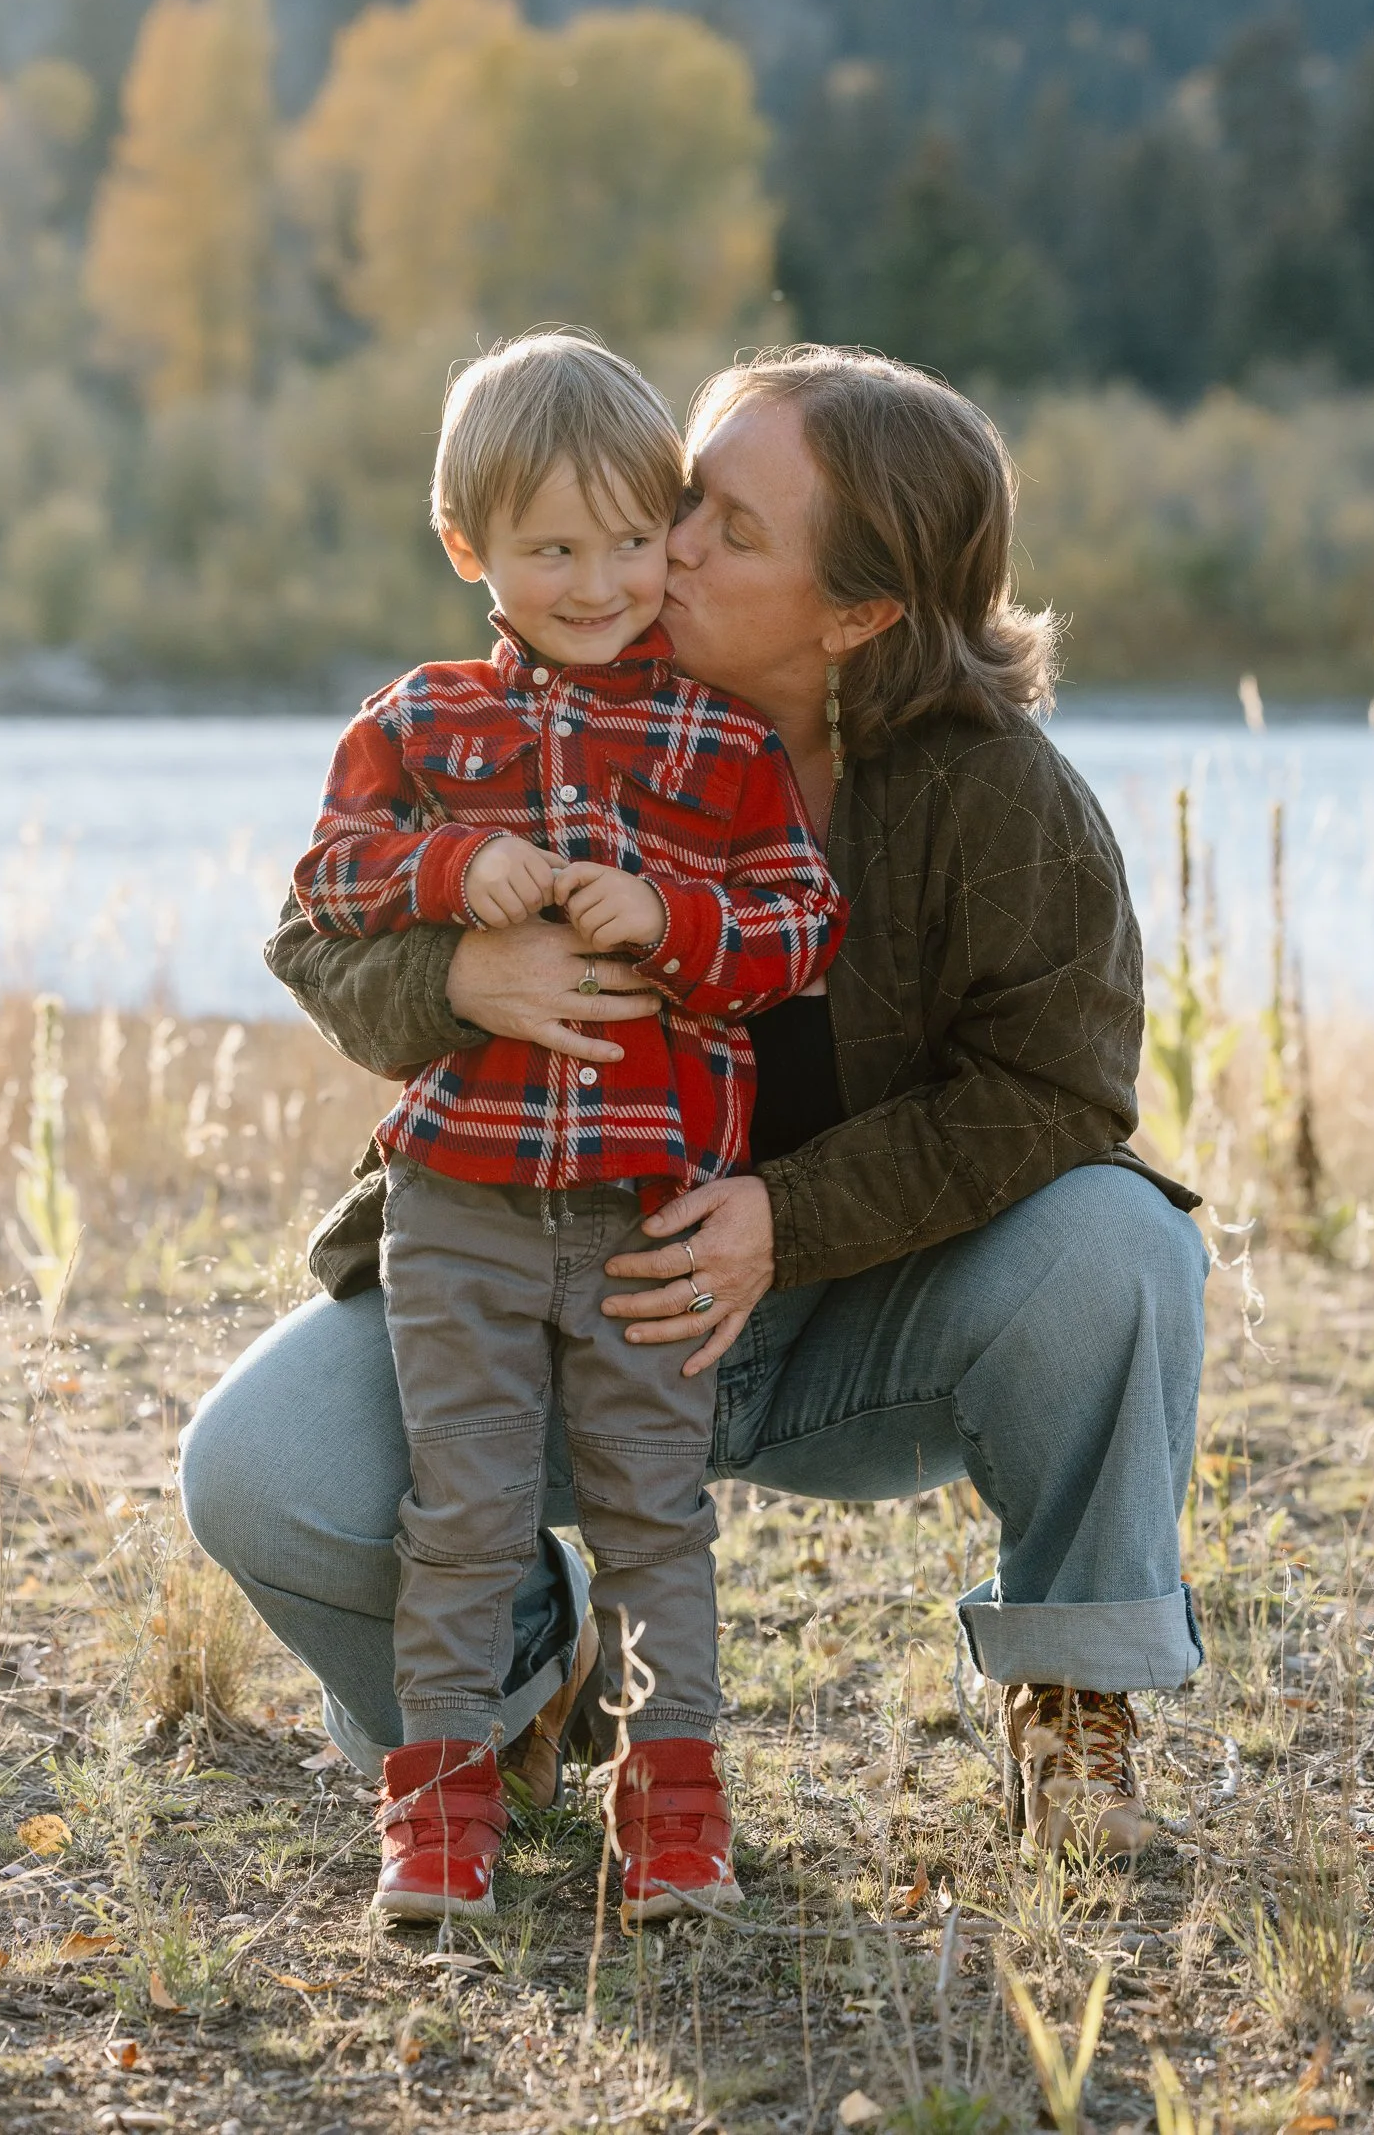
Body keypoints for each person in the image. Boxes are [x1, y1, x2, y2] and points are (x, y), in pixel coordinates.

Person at [181, 344, 1208, 1867]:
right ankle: (535, 1686)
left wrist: (788, 1219)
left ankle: (1074, 1714)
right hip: (531, 1290)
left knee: (1126, 1246)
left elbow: (1057, 1091)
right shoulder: (531, 704)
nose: (658, 550)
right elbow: (315, 932)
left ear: (856, 613)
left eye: (727, 529)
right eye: (682, 499)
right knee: (261, 1473)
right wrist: (456, 976)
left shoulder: (1001, 798)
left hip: (859, 1324)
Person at [288, 333, 844, 1922]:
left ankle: (673, 1804)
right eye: (550, 550)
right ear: (468, 547)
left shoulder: (725, 745)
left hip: (647, 1217)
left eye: (626, 541)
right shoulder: (420, 725)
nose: (597, 584)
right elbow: (324, 884)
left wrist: (672, 919)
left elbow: (803, 930)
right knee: (460, 1514)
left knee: (652, 1514)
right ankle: (440, 1802)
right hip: (458, 1204)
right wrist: (452, 876)